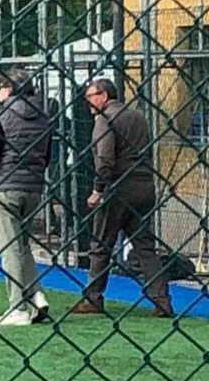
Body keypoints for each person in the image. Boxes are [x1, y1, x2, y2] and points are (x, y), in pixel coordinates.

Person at [72, 77, 174, 318]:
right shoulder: (137, 117)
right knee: (145, 247)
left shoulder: (104, 119)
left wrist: (98, 190)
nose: (88, 101)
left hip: (117, 188)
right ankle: (162, 301)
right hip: (144, 186)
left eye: (91, 96)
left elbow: (105, 159)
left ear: (104, 96)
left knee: (100, 245)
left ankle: (93, 298)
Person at [0, 68, 52, 326]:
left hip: (7, 186)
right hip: (33, 186)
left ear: (9, 89)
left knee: (10, 247)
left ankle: (17, 306)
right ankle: (36, 295)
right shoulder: (43, 118)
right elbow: (48, 155)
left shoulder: (2, 118)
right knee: (22, 244)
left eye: (0, 88)